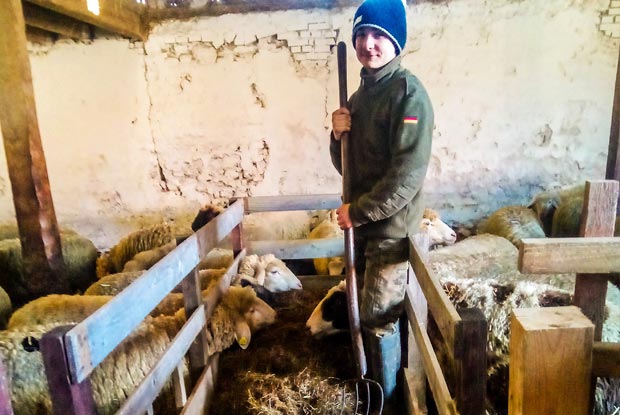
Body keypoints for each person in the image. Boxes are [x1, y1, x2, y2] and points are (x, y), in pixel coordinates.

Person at [330, 0, 434, 411]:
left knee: (377, 317)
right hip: (362, 229)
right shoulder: (359, 97)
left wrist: (356, 212)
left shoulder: (408, 95)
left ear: (396, 41)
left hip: (390, 232)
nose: (368, 43)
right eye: (361, 34)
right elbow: (347, 168)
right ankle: (369, 383)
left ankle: (387, 402)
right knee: (358, 309)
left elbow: (406, 178)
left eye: (378, 35)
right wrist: (337, 136)